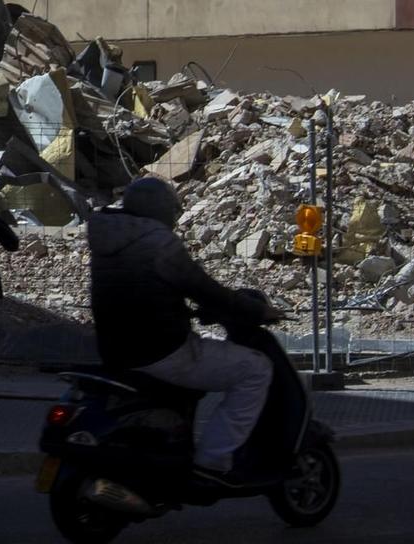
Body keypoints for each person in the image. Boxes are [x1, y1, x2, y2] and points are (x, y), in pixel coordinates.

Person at [88, 176, 275, 483]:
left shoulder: (108, 238)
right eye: (172, 210)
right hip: (161, 349)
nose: (175, 217)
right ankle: (213, 462)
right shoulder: (158, 242)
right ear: (162, 209)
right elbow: (202, 288)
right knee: (256, 369)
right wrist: (257, 310)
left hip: (115, 349)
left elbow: (138, 292)